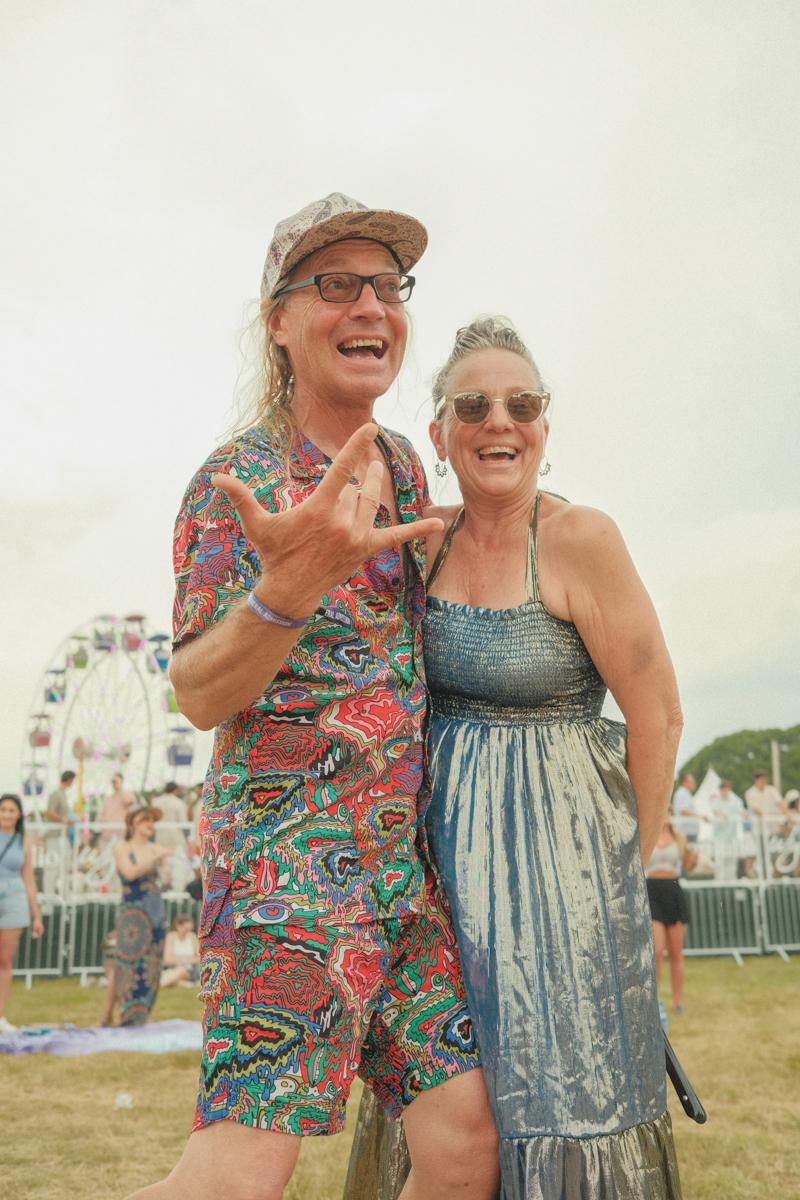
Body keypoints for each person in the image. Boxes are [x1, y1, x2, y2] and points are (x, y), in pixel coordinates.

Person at [126, 194, 498, 1200]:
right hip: (285, 873)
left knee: (465, 1142)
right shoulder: (236, 479)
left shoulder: (401, 465)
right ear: (279, 320)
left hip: (399, 876)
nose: (368, 303)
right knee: (240, 1175)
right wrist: (285, 591)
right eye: (336, 284)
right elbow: (199, 690)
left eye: (386, 285)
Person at [348, 317, 684, 1198]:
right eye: (474, 405)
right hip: (443, 882)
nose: (501, 421)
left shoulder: (582, 540)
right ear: (441, 434)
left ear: (543, 424)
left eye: (522, 404)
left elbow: (658, 718)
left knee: (559, 1098)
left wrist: (618, 872)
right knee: (456, 1107)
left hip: (566, 895)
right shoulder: (425, 541)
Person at [113, 806, 170, 1026]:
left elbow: (165, 880)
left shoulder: (156, 848)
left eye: (152, 821)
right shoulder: (123, 847)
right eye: (145, 820)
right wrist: (156, 858)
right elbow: (129, 873)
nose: (150, 824)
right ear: (133, 824)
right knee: (128, 961)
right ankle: (127, 1014)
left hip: (154, 908)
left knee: (152, 963)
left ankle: (144, 1013)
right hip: (132, 911)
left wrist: (165, 866)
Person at [0, 793, 44, 1033]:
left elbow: (29, 880)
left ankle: (1, 1016)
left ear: (18, 815)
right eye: (3, 809)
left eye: (11, 810)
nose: (6, 814)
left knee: (5, 960)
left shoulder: (23, 840)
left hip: (14, 898)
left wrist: (36, 914)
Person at [646, 815, 694, 1016]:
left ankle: (677, 1002)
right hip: (653, 890)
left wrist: (692, 861)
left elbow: (688, 868)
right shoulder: (648, 833)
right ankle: (653, 1003)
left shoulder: (680, 838)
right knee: (657, 951)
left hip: (673, 890)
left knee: (676, 952)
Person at [42, 769, 76, 893]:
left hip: (62, 836)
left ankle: (65, 895)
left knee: (64, 865)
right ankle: (48, 901)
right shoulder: (56, 794)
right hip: (54, 836)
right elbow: (49, 812)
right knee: (52, 867)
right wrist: (63, 819)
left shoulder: (63, 794)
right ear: (69, 780)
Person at [710, 779, 744, 880]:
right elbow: (716, 812)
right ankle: (720, 887)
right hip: (719, 839)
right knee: (720, 864)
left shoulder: (737, 801)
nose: (725, 792)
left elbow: (742, 813)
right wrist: (726, 816)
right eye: (723, 789)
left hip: (732, 838)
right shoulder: (716, 802)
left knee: (732, 864)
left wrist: (729, 816)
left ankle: (731, 886)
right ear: (720, 790)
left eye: (727, 789)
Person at [160, 912, 201, 988]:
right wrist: (182, 962)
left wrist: (185, 962)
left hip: (190, 969)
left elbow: (200, 957)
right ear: (178, 926)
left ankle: (160, 985)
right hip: (174, 967)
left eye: (189, 929)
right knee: (172, 972)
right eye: (185, 928)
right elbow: (167, 959)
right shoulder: (171, 937)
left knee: (180, 971)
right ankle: (188, 984)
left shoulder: (192, 937)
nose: (187, 931)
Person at [99, 772, 137, 842]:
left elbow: (129, 801)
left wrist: (119, 787)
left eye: (115, 781)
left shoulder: (128, 794)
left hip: (121, 835)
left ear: (122, 781)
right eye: (112, 781)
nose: (114, 783)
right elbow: (103, 815)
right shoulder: (108, 798)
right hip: (107, 835)